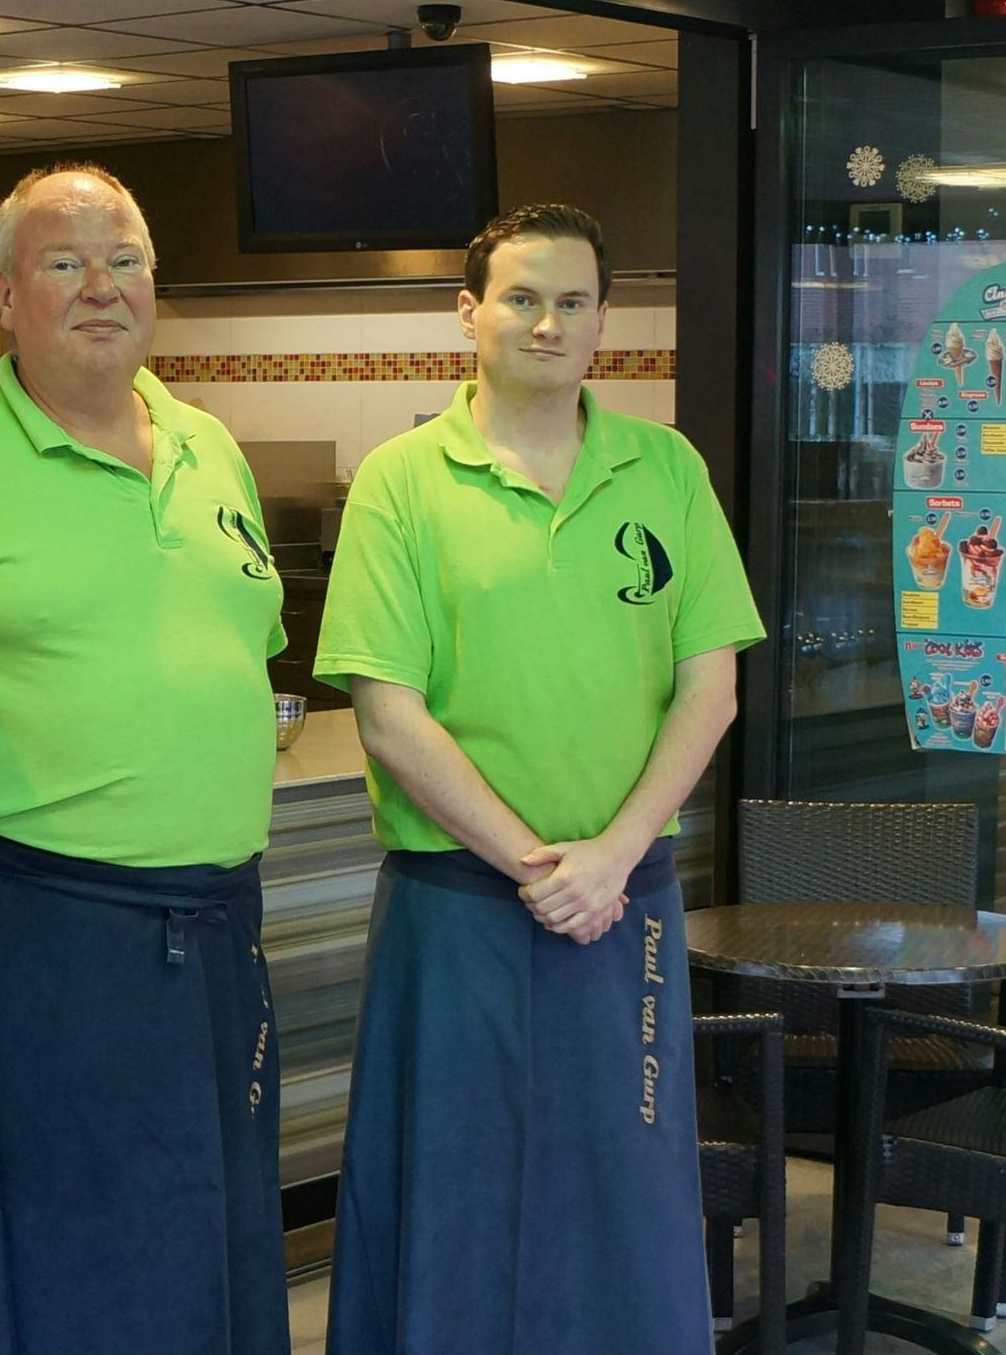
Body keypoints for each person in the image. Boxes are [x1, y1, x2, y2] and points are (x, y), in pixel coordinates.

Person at [0, 165, 292, 1355]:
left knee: (190, 1261)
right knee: (16, 1275)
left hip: (213, 935)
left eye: (123, 258)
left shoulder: (210, 448)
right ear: (2, 295)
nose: (100, 287)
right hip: (19, 941)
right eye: (63, 261)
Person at [316, 203, 764, 1355]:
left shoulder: (664, 470)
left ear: (604, 320)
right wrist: (537, 866)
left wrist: (607, 860)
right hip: (458, 903)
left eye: (571, 300)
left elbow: (706, 691)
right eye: (519, 297)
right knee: (451, 1191)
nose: (546, 321)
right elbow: (387, 713)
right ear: (467, 315)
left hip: (626, 902)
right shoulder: (401, 481)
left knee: (626, 1188)